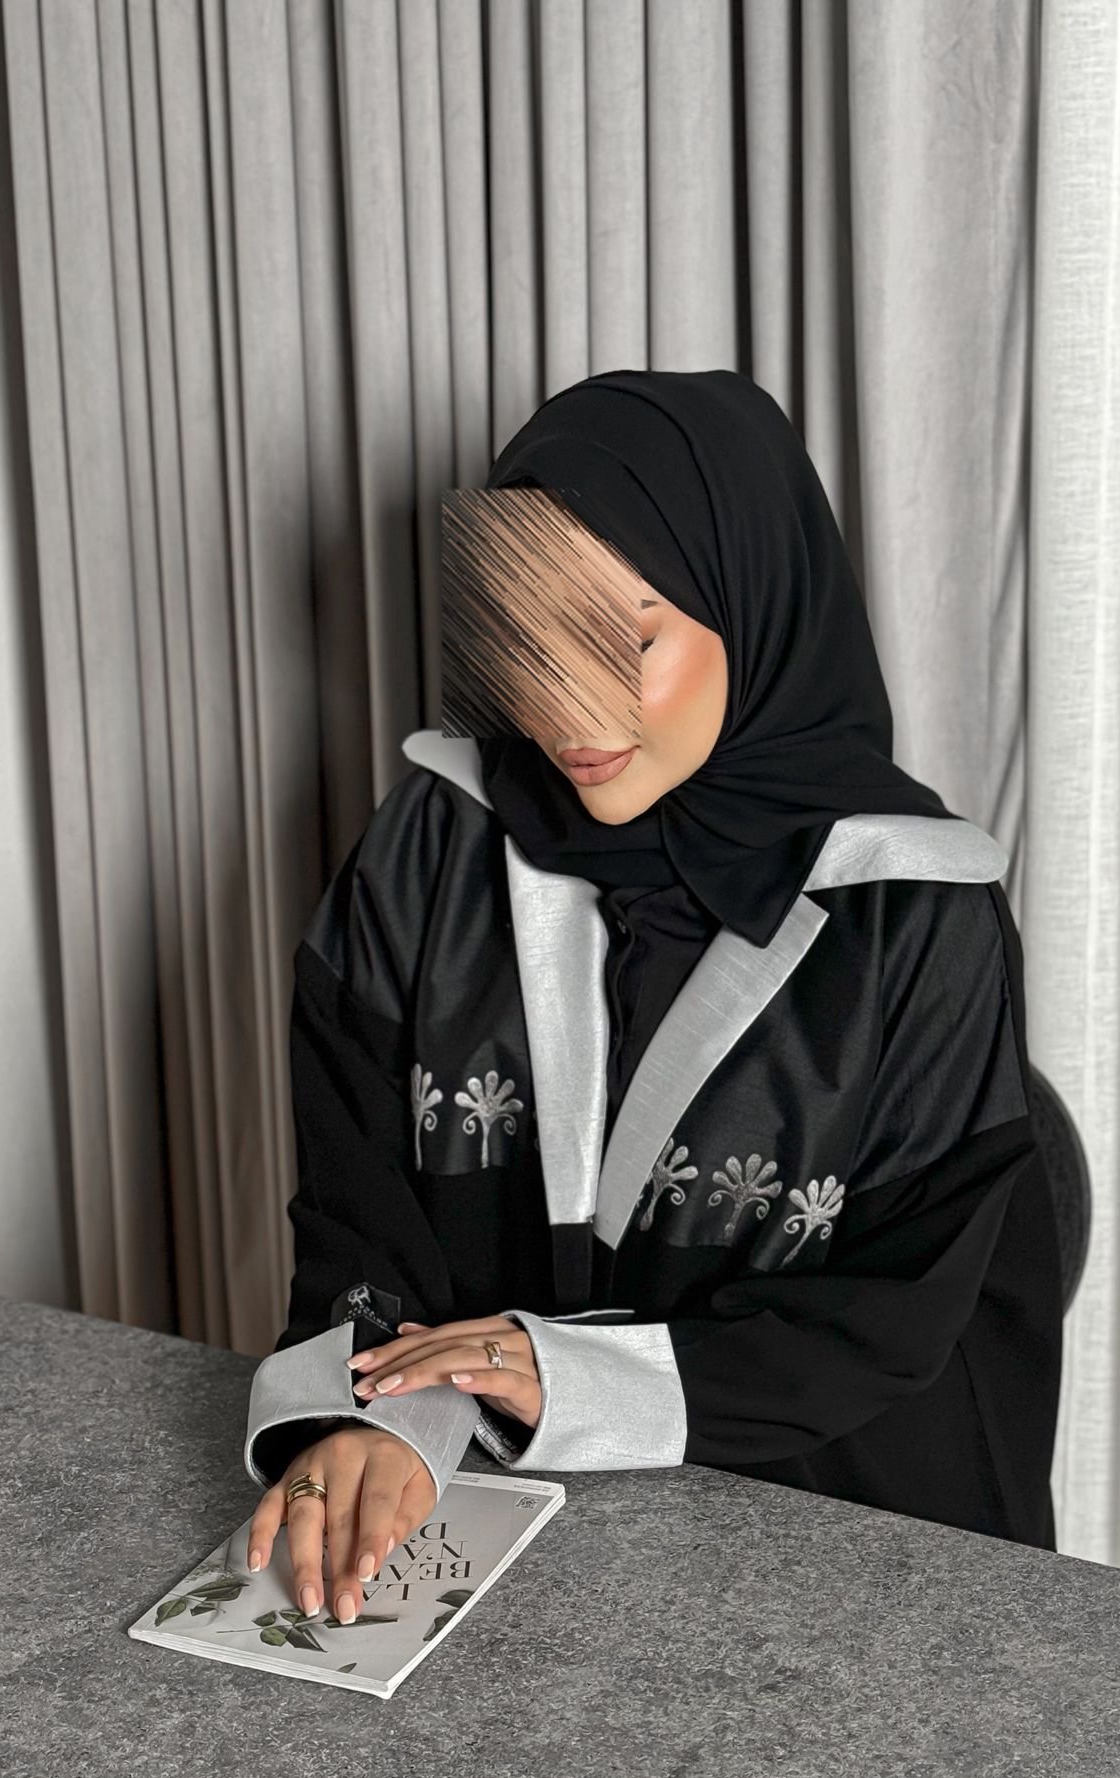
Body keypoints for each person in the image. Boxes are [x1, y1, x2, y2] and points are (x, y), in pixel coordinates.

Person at [243, 367, 1064, 1630]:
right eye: (526, 636)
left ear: (753, 604)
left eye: (626, 639)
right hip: (503, 1527)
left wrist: (567, 1372)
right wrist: (377, 1417)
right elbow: (357, 1197)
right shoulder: (433, 842)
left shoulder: (917, 911)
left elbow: (898, 1314)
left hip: (833, 1550)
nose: (564, 703)